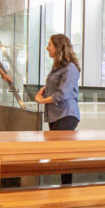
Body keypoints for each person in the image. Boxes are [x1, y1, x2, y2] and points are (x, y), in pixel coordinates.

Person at [35, 34, 81, 185]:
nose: (47, 48)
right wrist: (45, 89)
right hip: (55, 115)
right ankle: (63, 187)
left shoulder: (71, 68)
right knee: (60, 153)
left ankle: (66, 187)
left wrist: (42, 100)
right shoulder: (58, 67)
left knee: (63, 153)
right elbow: (55, 86)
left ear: (58, 47)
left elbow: (62, 95)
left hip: (66, 114)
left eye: (50, 45)